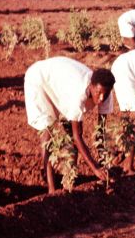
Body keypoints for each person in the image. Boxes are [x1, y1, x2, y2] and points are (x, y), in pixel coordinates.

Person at [24, 57, 115, 192]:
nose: (101, 98)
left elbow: (100, 131)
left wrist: (104, 165)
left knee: (71, 132)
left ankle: (69, 181)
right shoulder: (78, 94)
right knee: (47, 132)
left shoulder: (106, 93)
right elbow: (77, 138)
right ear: (91, 86)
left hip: (61, 85)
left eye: (105, 94)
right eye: (98, 93)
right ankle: (51, 188)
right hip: (39, 79)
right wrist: (95, 168)